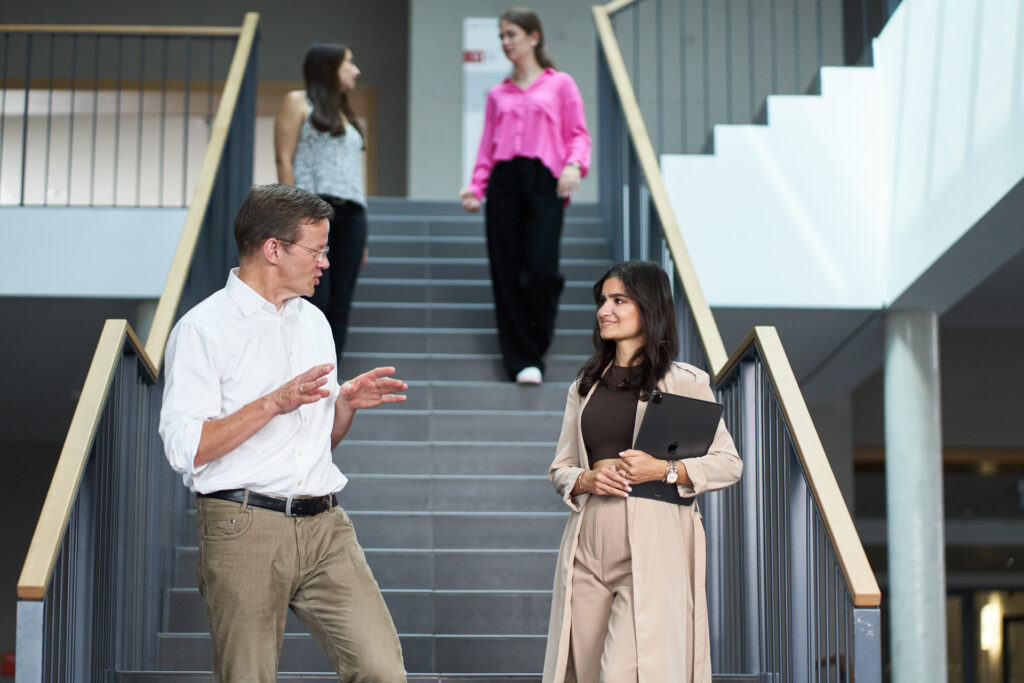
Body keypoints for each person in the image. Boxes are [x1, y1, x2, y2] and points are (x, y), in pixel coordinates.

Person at [158, 184, 407, 683]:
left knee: (382, 671)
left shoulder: (314, 321)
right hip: (242, 524)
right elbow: (186, 449)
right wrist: (273, 403)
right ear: (273, 249)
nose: (326, 262)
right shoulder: (202, 329)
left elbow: (316, 443)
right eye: (317, 250)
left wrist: (344, 406)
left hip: (325, 526)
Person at [542, 261, 743, 683]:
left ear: (649, 308)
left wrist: (664, 469)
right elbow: (561, 466)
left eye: (619, 300)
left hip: (651, 544)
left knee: (626, 673)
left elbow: (729, 463)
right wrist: (585, 479)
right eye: (602, 301)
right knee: (588, 675)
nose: (604, 311)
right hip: (587, 545)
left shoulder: (684, 381)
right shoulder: (585, 384)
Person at [459, 8, 592, 385]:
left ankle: (536, 336)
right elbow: (487, 146)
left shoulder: (560, 84)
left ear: (534, 37)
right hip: (503, 182)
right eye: (501, 36)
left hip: (543, 180)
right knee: (505, 271)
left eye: (512, 34)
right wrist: (476, 187)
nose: (505, 43)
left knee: (540, 270)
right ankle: (522, 361)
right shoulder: (497, 94)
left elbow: (579, 134)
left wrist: (574, 166)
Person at [275, 42, 368, 363]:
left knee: (342, 301)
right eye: (349, 63)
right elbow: (283, 157)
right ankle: (303, 370)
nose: (356, 71)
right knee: (315, 296)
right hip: (313, 209)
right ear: (329, 67)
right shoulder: (298, 101)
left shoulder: (345, 111)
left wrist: (363, 238)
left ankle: (329, 376)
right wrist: (290, 216)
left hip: (353, 212)